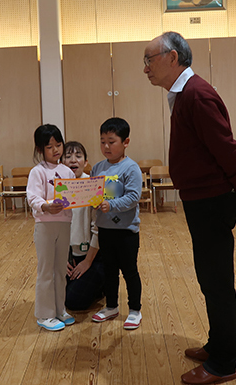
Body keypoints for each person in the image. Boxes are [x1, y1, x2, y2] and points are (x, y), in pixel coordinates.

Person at [145, 31, 236, 384]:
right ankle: (216, 344)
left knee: (217, 281)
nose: (145, 68)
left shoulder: (196, 94)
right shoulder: (185, 94)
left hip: (211, 200)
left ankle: (223, 364)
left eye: (149, 59)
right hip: (200, 199)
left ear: (172, 58)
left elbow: (227, 149)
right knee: (209, 278)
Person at [90, 118, 143, 330]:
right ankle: (111, 306)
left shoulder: (131, 168)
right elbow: (92, 194)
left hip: (126, 231)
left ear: (125, 142)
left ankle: (135, 310)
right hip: (105, 229)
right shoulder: (97, 168)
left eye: (111, 142)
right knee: (109, 270)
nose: (106, 146)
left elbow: (133, 197)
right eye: (102, 141)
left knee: (130, 271)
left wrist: (110, 205)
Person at [26, 124, 75, 331]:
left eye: (58, 144)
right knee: (46, 270)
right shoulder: (37, 172)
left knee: (60, 269)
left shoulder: (67, 171)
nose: (55, 150)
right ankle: (44, 314)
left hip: (64, 224)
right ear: (40, 149)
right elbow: (32, 197)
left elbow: (74, 195)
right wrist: (46, 206)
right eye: (49, 147)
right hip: (45, 225)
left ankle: (59, 309)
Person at [62, 141, 104, 311]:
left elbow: (98, 229)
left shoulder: (92, 184)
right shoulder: (58, 186)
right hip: (68, 256)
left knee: (74, 302)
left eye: (78, 156)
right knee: (55, 295)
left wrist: (87, 262)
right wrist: (61, 259)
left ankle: (102, 284)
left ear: (85, 162)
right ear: (62, 162)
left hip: (92, 256)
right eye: (68, 156)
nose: (73, 160)